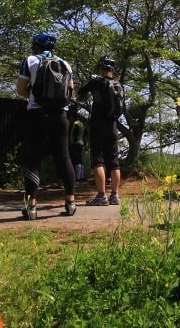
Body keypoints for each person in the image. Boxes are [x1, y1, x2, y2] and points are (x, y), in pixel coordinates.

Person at [16, 33, 77, 220]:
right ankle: (70, 203)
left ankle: (32, 206)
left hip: (37, 114)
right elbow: (71, 89)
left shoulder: (30, 61)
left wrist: (34, 97)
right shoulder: (65, 63)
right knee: (64, 157)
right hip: (60, 115)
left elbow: (20, 89)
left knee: (34, 158)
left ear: (36, 46)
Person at [78, 55, 124, 206]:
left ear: (101, 67)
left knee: (98, 160)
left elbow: (81, 91)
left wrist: (92, 80)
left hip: (98, 126)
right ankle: (115, 196)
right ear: (113, 69)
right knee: (114, 161)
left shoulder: (96, 82)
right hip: (113, 126)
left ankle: (101, 196)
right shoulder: (118, 85)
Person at [68, 109, 86, 182]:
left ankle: (77, 177)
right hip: (81, 143)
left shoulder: (74, 123)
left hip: (75, 143)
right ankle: (82, 176)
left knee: (76, 160)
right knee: (80, 160)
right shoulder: (81, 124)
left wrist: (71, 142)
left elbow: (72, 134)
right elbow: (85, 134)